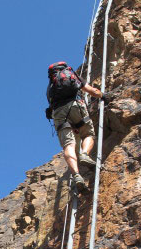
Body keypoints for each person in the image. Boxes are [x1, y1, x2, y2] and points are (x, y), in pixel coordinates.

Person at [46, 62, 111, 192]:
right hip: (75, 106)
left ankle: (76, 175)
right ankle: (85, 154)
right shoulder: (71, 76)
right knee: (87, 134)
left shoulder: (50, 89)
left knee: (68, 145)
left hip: (59, 114)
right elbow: (90, 90)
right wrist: (103, 96)